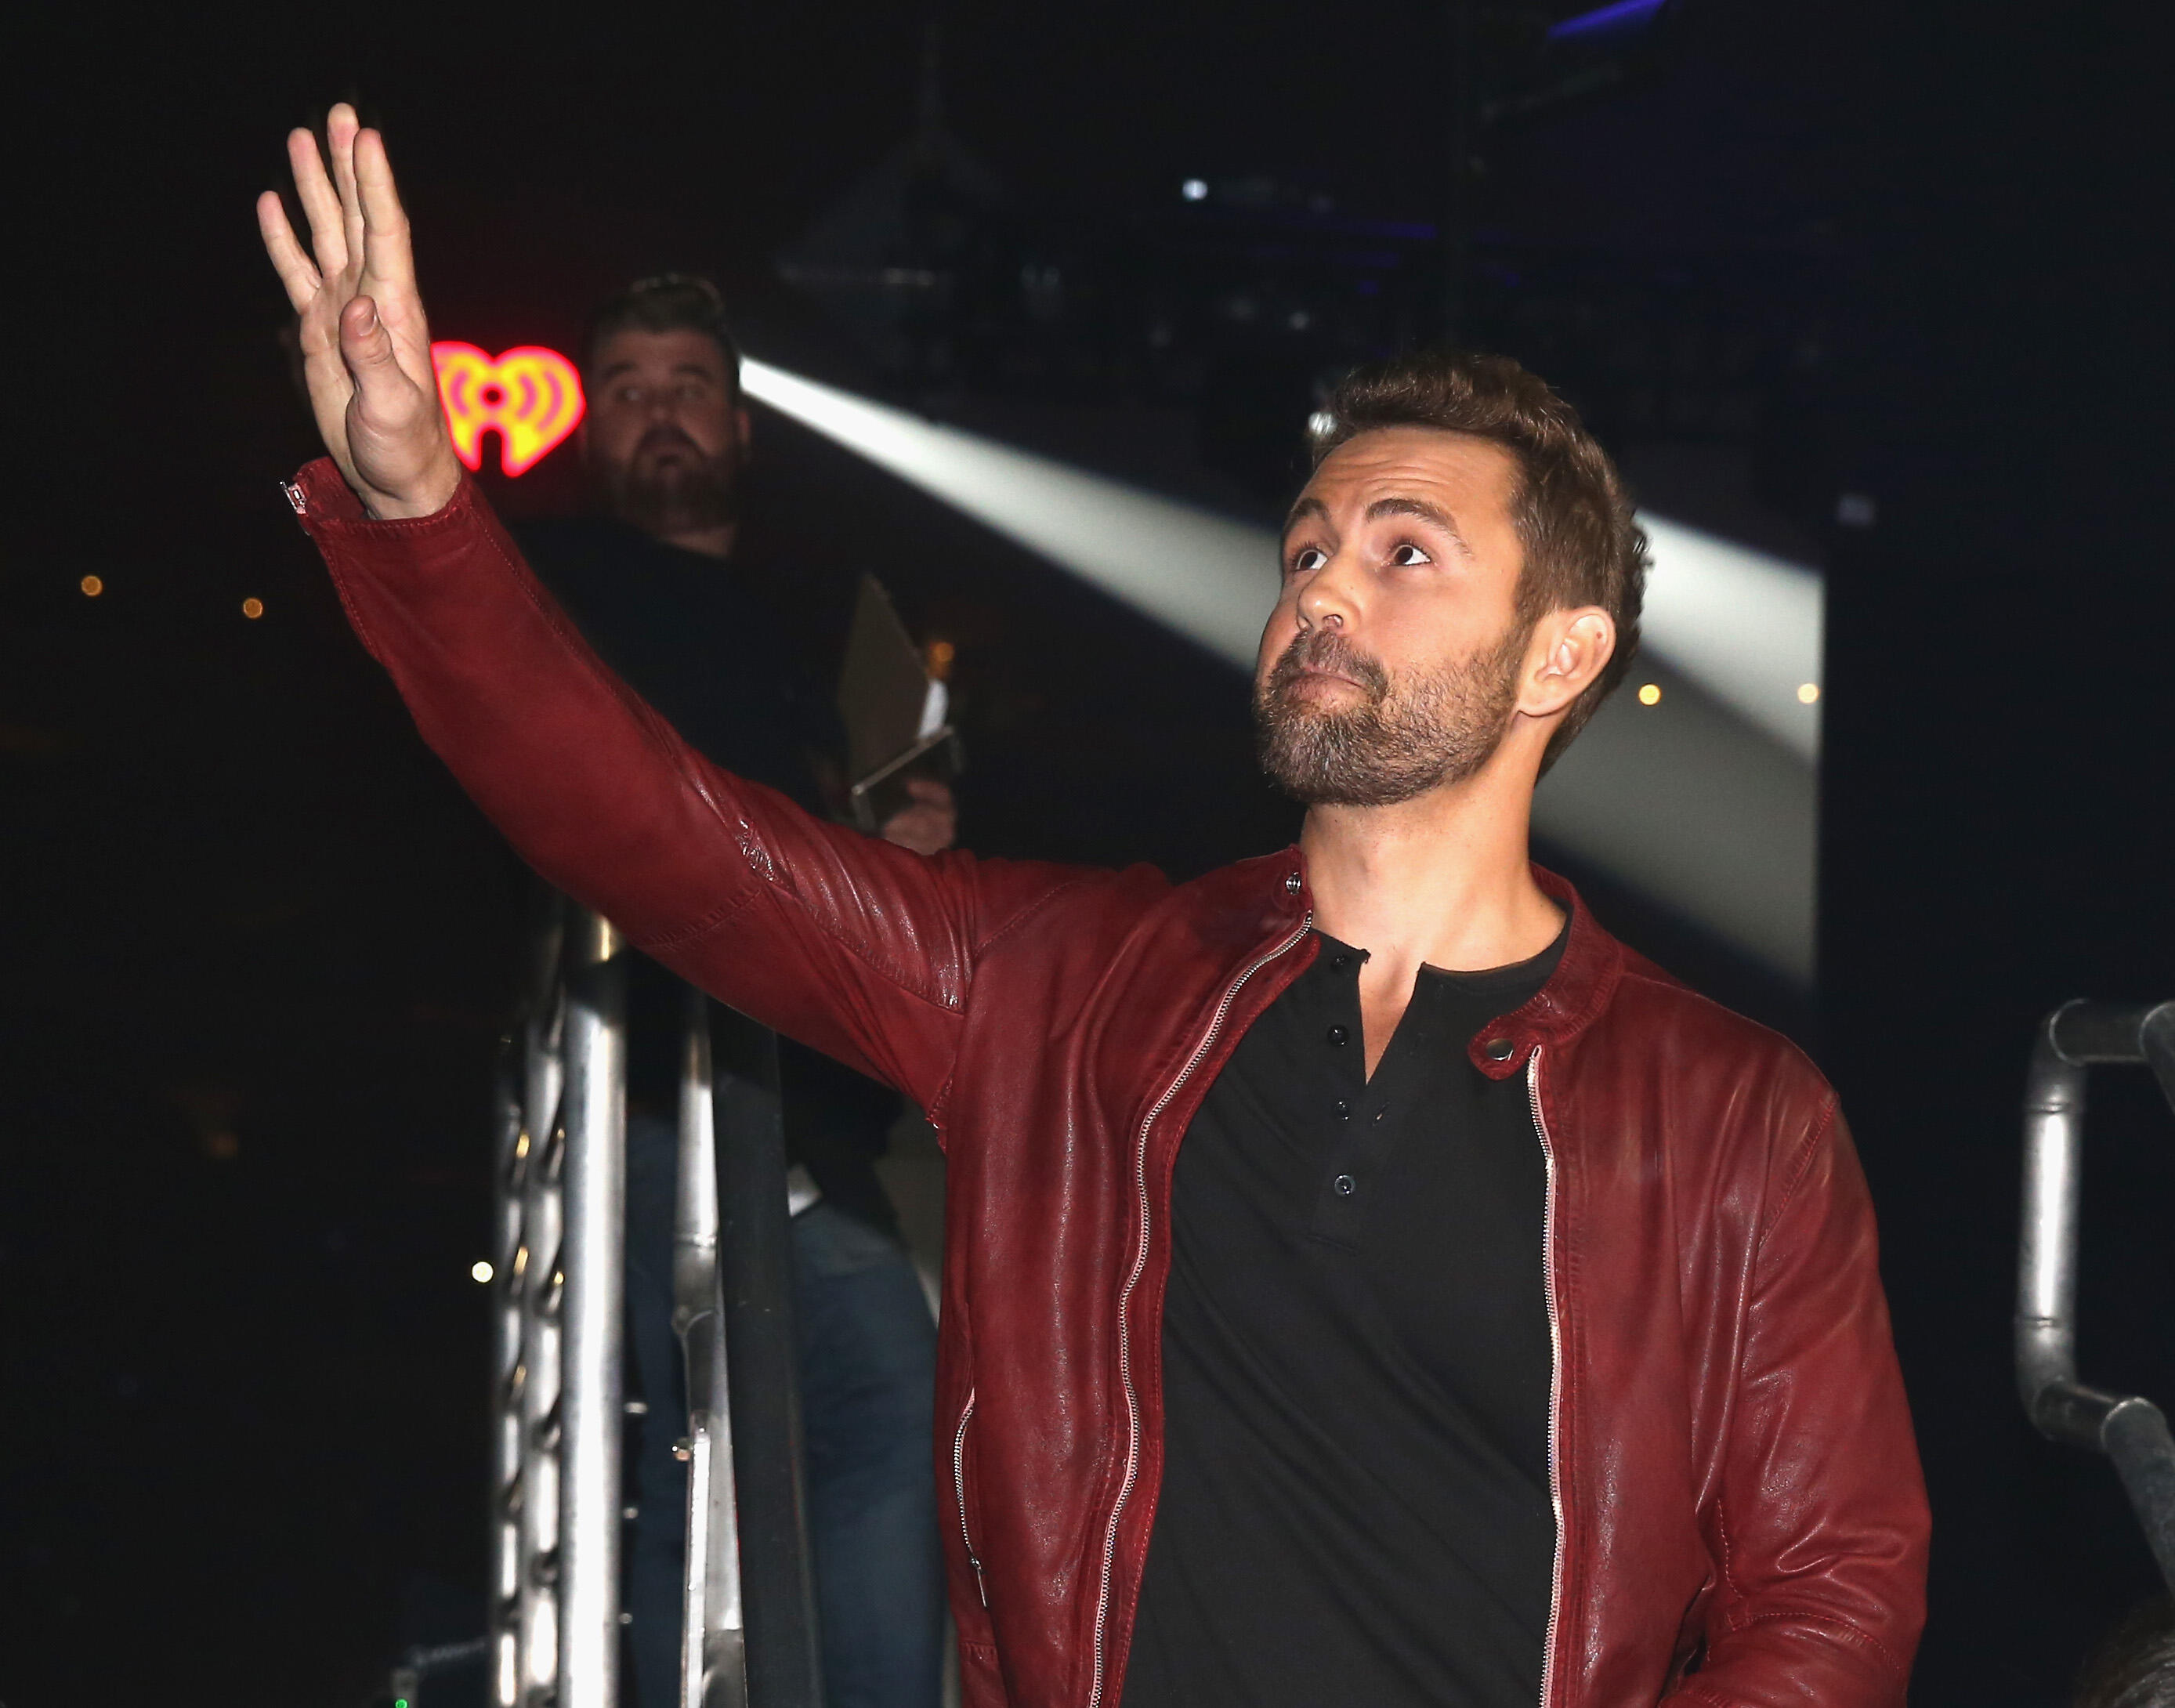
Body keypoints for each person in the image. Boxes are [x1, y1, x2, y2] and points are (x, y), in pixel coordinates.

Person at [260, 107, 1931, 1707]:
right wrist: (421, 511)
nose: (1323, 583)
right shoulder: (1059, 981)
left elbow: (1834, 1589)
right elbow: (656, 834)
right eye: (1305, 548)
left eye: (1403, 551)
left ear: (1557, 655)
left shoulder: (1726, 1112)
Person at [500, 274, 950, 1708]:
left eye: (685, 384)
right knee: (659, 1452)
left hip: (809, 1109)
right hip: (645, 1098)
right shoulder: (565, 592)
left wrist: (901, 842)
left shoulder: (801, 627)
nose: (659, 415)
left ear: (741, 424)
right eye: (624, 390)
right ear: (590, 433)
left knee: (882, 1426)